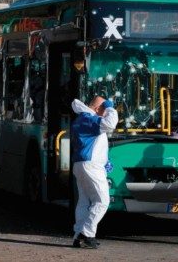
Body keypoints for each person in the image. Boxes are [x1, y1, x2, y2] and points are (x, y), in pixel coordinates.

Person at [71, 96, 118, 249]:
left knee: (84, 202)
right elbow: (110, 124)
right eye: (104, 109)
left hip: (82, 164)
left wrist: (104, 160)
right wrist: (110, 107)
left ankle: (78, 235)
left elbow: (93, 143)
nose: (105, 113)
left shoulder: (82, 119)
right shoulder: (89, 119)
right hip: (91, 166)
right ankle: (87, 233)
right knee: (102, 201)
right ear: (98, 109)